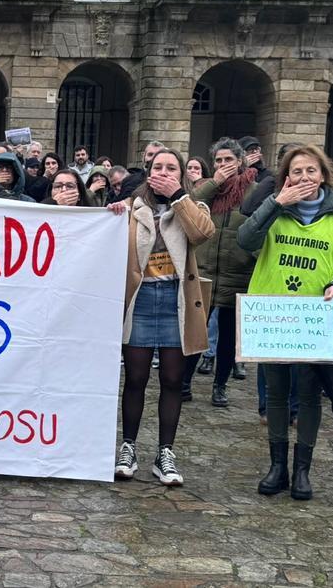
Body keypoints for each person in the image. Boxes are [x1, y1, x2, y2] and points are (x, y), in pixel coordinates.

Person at [238, 144, 333, 500]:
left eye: (311, 171)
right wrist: (276, 202)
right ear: (286, 177)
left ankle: (302, 470)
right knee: (276, 392)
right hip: (274, 313)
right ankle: (277, 465)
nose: (304, 178)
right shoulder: (274, 209)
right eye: (296, 172)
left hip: (316, 316)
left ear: (324, 175)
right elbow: (245, 240)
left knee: (309, 393)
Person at [111, 148, 215, 486]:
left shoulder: (193, 206)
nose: (164, 172)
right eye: (158, 167)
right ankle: (128, 447)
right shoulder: (130, 208)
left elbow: (201, 234)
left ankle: (165, 452)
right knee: (136, 377)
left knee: (172, 379)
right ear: (147, 171)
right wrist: (111, 214)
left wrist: (178, 196)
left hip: (177, 299)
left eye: (172, 168)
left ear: (182, 174)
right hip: (141, 299)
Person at [186, 138, 258, 408]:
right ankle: (184, 382)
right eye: (218, 160)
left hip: (237, 270)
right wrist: (214, 182)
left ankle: (220, 385)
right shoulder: (207, 189)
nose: (224, 165)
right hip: (204, 269)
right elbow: (189, 207)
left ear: (240, 162)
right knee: (195, 332)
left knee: (228, 335)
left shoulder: (253, 190)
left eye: (229, 160)